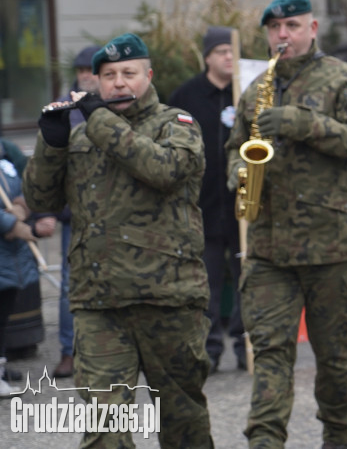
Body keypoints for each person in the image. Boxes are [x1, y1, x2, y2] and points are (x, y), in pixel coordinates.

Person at [23, 33, 214, 446]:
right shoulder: (82, 136)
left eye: (129, 73)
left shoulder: (176, 124)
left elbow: (164, 170)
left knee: (184, 425)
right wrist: (51, 145)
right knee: (104, 429)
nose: (119, 83)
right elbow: (40, 201)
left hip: (168, 299)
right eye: (108, 76)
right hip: (99, 302)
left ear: (148, 75)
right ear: (96, 82)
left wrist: (99, 121)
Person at [225, 0, 347, 449]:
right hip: (270, 250)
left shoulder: (341, 79)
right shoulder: (256, 88)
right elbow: (236, 144)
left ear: (312, 28)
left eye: (292, 26)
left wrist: (302, 123)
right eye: (275, 28)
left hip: (330, 249)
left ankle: (337, 436)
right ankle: (265, 441)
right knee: (271, 354)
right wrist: (238, 169)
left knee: (335, 360)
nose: (282, 35)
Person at [169, 26, 246, 374]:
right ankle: (209, 349)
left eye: (233, 51)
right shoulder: (186, 95)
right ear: (207, 57)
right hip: (201, 209)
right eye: (221, 52)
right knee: (206, 286)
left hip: (243, 210)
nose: (228, 57)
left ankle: (247, 347)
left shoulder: (248, 91)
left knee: (247, 281)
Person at [49, 43, 101, 379]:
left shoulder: (113, 106)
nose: (85, 77)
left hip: (112, 210)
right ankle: (69, 351)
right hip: (75, 210)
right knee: (71, 283)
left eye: (90, 72)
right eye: (81, 72)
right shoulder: (66, 109)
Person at [1, 142, 47, 397]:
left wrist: (22, 206)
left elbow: (31, 182)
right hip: (5, 245)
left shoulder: (8, 152)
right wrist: (10, 224)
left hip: (11, 257)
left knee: (4, 313)